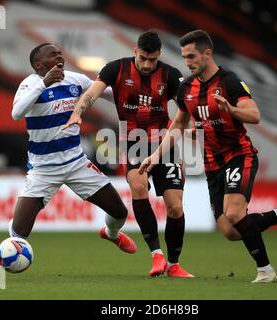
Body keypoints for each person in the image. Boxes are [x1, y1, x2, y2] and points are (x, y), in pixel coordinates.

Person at [138, 30, 277, 283]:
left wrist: (232, 109)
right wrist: (156, 155)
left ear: (207, 53)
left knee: (235, 213)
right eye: (184, 57)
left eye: (192, 56)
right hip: (212, 164)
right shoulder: (186, 88)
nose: (188, 62)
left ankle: (265, 270)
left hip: (239, 154)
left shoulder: (230, 82)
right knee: (230, 230)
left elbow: (255, 115)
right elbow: (179, 125)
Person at [63, 31, 193, 278]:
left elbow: (185, 108)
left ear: (159, 56)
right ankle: (157, 256)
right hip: (132, 142)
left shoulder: (171, 75)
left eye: (152, 60)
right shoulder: (116, 69)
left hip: (164, 144)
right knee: (138, 186)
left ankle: (174, 265)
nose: (146, 65)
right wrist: (78, 111)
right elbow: (92, 92)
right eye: (143, 58)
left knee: (175, 207)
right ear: (135, 51)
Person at [10, 43, 137, 255]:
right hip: (43, 169)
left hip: (77, 163)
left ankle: (111, 234)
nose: (60, 56)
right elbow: (16, 114)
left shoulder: (75, 79)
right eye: (53, 55)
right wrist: (43, 84)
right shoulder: (30, 84)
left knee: (120, 212)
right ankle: (12, 256)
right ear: (38, 64)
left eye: (60, 53)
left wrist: (135, 99)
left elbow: (105, 93)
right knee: (19, 231)